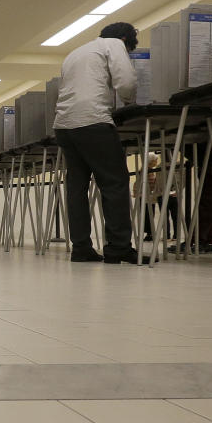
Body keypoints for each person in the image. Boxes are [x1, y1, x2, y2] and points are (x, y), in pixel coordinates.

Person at [53, 22, 147, 264]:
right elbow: (125, 82)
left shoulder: (75, 52)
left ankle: (81, 247)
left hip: (64, 125)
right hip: (93, 121)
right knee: (114, 183)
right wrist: (129, 100)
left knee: (77, 187)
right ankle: (118, 248)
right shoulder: (114, 45)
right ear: (125, 38)